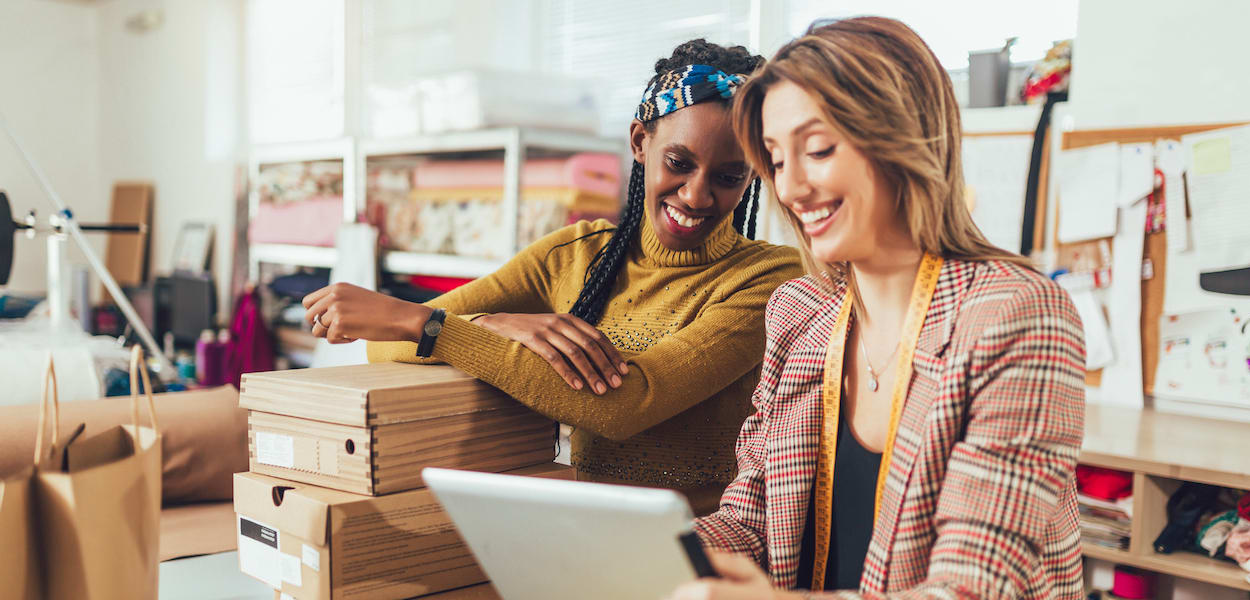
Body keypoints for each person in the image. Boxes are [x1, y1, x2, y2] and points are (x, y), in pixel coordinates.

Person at [672, 17, 1085, 598]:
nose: (791, 188)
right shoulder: (799, 312)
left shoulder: (1016, 315)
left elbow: (971, 587)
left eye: (818, 149)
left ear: (903, 139)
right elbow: (751, 522)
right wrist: (653, 554)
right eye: (777, 160)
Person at [301, 40, 802, 516]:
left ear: (753, 174)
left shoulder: (769, 279)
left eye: (728, 177)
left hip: (703, 550)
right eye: (679, 163)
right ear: (639, 142)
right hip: (576, 532)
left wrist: (431, 325)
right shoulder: (575, 253)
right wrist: (490, 323)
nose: (696, 195)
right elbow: (385, 343)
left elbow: (628, 403)